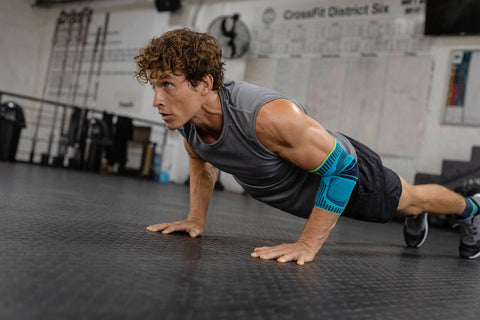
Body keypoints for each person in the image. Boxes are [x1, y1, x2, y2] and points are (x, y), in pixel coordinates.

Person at [134, 28, 480, 265]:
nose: (156, 101)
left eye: (167, 85)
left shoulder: (268, 117)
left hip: (353, 176)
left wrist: (306, 244)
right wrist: (196, 219)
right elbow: (202, 162)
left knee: (411, 199)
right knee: (409, 202)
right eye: (155, 86)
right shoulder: (189, 120)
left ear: (204, 83)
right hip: (321, 176)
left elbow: (343, 169)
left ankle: (472, 210)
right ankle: (424, 212)